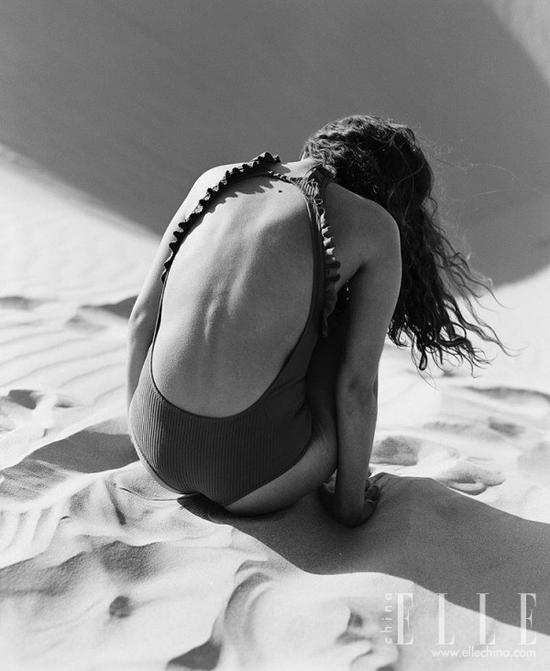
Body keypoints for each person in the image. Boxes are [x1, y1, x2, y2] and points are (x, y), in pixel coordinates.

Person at [127, 114, 504, 527]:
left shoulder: (213, 180)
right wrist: (351, 506)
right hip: (257, 479)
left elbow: (142, 318)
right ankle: (343, 497)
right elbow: (356, 388)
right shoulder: (373, 226)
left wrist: (143, 440)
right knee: (338, 326)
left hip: (155, 453)